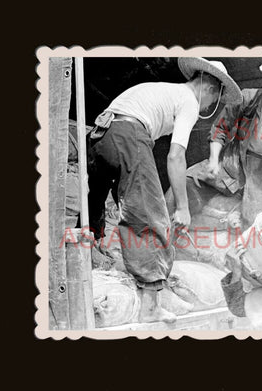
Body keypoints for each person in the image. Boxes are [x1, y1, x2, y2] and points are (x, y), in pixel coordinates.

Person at [87, 57, 242, 323]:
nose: (209, 105)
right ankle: (150, 306)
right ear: (210, 89)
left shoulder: (162, 91)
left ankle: (91, 252)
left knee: (96, 204)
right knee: (149, 215)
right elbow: (175, 157)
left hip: (101, 134)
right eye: (213, 99)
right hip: (129, 133)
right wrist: (182, 207)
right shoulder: (189, 102)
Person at [188, 57, 262, 228]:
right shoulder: (247, 98)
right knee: (189, 180)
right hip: (234, 158)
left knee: (256, 223)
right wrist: (214, 160)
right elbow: (220, 129)